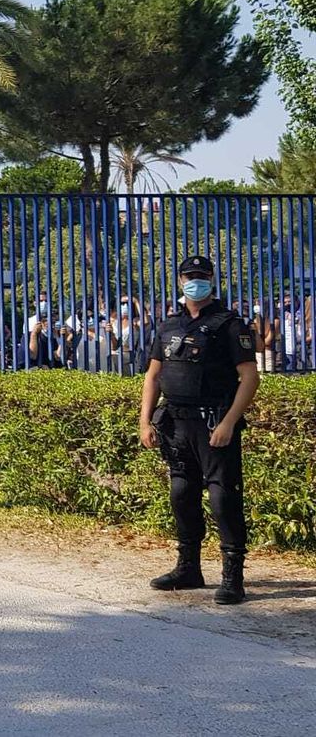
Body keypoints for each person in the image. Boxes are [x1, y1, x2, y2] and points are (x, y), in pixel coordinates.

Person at [140, 256, 259, 605]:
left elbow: (250, 377)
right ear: (180, 281)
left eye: (201, 277)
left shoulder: (229, 325)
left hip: (214, 424)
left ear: (211, 280)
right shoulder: (169, 326)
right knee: (181, 494)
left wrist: (229, 422)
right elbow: (153, 376)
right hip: (176, 423)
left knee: (223, 499)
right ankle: (188, 567)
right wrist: (144, 421)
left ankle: (232, 576)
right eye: (189, 277)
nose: (195, 282)